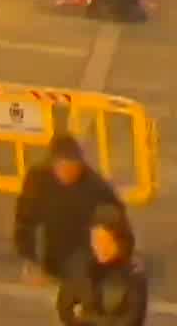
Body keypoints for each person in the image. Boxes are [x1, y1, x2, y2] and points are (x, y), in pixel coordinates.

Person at [13, 134, 125, 317]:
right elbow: (25, 219)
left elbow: (115, 217)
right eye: (64, 168)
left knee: (79, 294)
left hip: (84, 249)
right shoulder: (38, 180)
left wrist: (112, 249)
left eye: (73, 168)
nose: (69, 174)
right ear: (53, 165)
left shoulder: (95, 187)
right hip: (54, 248)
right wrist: (30, 258)